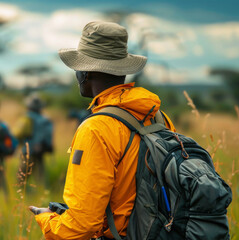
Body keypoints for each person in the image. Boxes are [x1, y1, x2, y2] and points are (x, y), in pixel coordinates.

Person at [29, 22, 176, 239]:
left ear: (86, 73)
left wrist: (47, 219)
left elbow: (83, 226)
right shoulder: (158, 116)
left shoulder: (95, 128)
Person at [15, 94, 53, 183]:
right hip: (41, 151)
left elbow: (18, 133)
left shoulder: (27, 118)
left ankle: (22, 195)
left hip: (28, 152)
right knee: (40, 177)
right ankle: (41, 194)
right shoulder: (45, 119)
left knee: (21, 179)